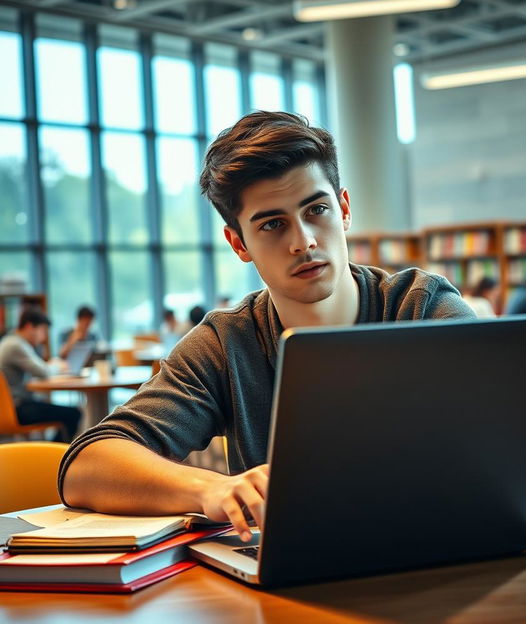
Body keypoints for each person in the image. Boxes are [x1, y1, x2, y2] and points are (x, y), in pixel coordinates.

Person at [60, 111, 474, 542]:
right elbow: (86, 465)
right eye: (273, 224)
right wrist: (212, 489)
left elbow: (521, 442)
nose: (304, 241)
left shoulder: (423, 308)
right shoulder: (225, 344)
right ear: (239, 243)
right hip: (295, 579)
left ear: (344, 209)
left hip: (445, 548)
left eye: (317, 210)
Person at [0, 307, 81, 442]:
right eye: (42, 331)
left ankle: (51, 451)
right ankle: (55, 456)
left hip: (11, 407)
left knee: (65, 411)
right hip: (17, 409)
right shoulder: (16, 345)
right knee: (73, 414)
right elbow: (44, 372)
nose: (43, 337)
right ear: (30, 326)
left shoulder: (10, 341)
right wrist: (58, 366)